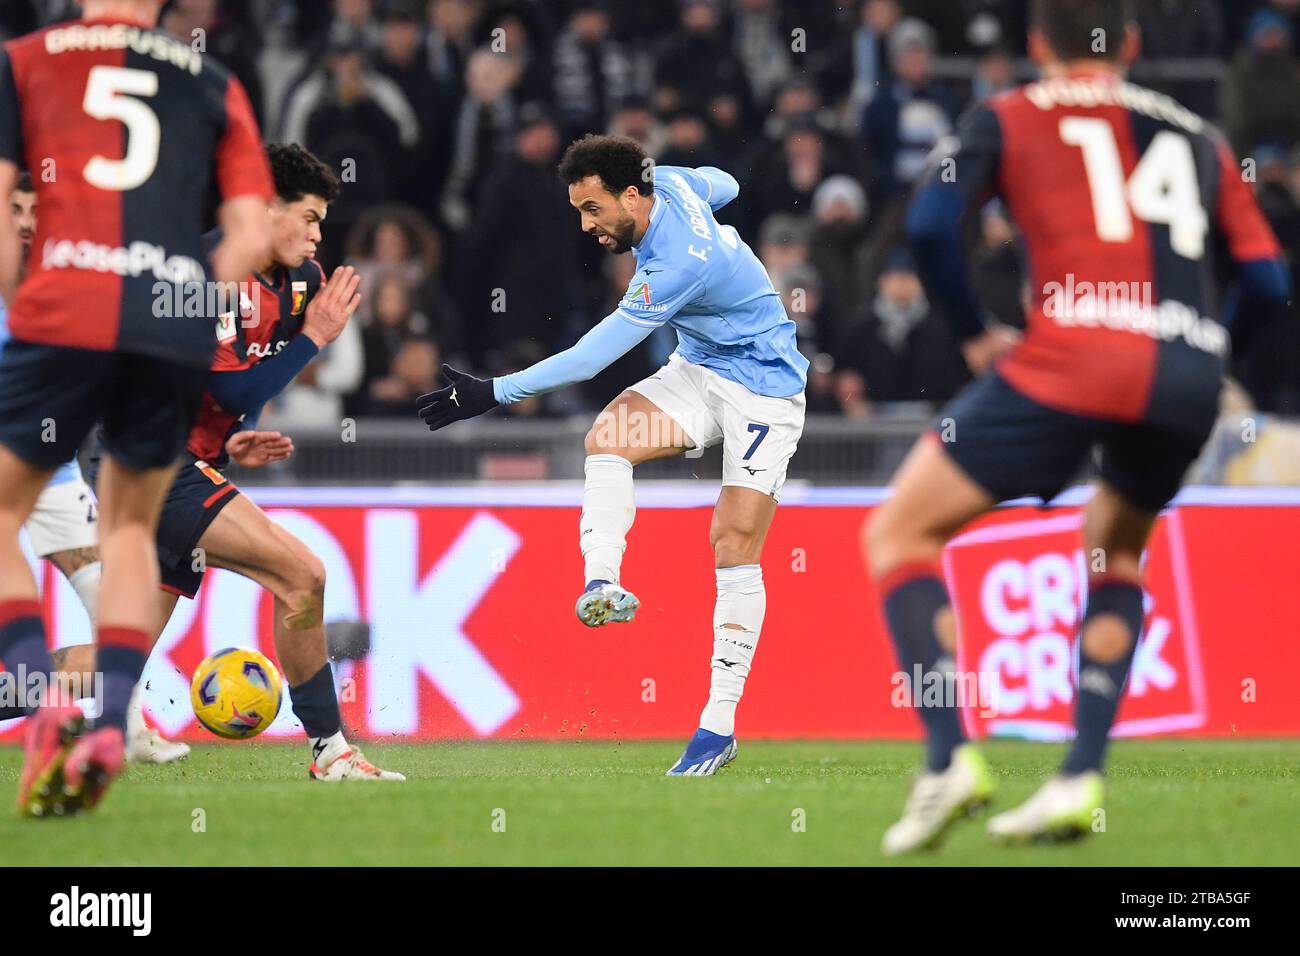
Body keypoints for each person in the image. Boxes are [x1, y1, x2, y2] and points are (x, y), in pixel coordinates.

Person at [867, 0, 1291, 854]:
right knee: (1117, 547)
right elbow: (1270, 280)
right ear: (1130, 45)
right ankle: (1078, 778)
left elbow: (924, 225)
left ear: (1034, 47)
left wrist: (978, 333)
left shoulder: (1009, 113)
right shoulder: (1201, 134)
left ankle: (950, 758)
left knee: (900, 533)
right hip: (1183, 376)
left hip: (1071, 354)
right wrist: (1209, 356)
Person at [417, 135, 809, 776]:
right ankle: (602, 580)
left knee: (733, 542)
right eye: (578, 210)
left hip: (764, 388)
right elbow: (727, 182)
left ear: (632, 196)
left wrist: (492, 392)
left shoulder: (676, 264)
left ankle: (717, 725)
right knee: (608, 438)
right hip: (701, 366)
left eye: (594, 210)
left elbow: (590, 357)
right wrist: (695, 195)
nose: (587, 226)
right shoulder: (674, 184)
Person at [0, 0, 273, 817]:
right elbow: (252, 232)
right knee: (128, 532)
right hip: (171, 319)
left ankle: (39, 691)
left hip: (66, 303)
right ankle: (113, 719)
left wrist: (23, 295)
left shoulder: (25, 59)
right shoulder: (214, 80)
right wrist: (187, 297)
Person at [81, 143, 403, 782]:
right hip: (137, 455)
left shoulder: (302, 282)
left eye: (321, 221)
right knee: (302, 577)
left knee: (124, 647)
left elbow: (236, 387)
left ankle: (85, 718)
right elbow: (230, 387)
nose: (318, 234)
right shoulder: (204, 273)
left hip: (183, 454)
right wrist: (315, 338)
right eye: (307, 217)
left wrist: (231, 441)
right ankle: (331, 751)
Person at [0, 173, 188, 764]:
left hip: (49, 467)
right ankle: (40, 699)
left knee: (109, 590)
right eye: (16, 207)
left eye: (37, 208)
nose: (28, 220)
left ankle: (126, 729)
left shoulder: (73, 281)